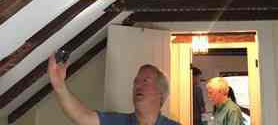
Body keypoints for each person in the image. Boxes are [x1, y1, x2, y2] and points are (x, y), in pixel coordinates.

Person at [48, 53, 180, 125]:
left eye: (145, 81)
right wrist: (59, 86)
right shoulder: (117, 122)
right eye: (136, 82)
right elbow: (82, 117)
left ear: (160, 93)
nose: (138, 85)